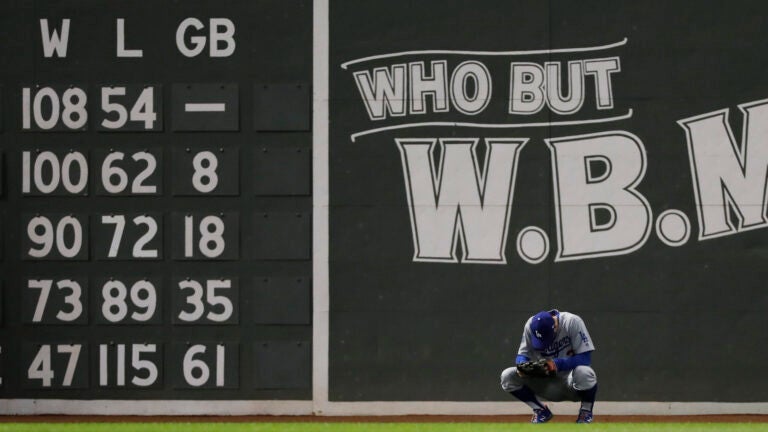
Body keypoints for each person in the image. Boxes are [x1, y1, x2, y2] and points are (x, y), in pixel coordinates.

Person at [500, 309, 598, 423]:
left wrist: (557, 364)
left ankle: (585, 413)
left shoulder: (572, 322)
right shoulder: (530, 325)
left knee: (585, 372)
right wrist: (522, 366)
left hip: (571, 382)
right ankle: (541, 411)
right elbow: (522, 355)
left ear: (555, 326)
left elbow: (585, 359)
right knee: (507, 376)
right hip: (545, 383)